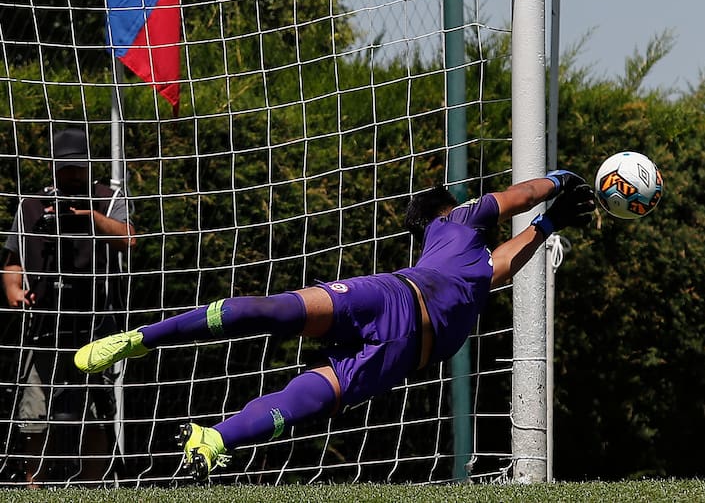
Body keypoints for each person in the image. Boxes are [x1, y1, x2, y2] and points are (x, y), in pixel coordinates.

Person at [74, 170, 594, 482]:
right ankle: (143, 339)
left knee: (305, 389)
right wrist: (563, 178)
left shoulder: (469, 264)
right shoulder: (455, 221)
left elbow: (505, 260)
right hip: (396, 311)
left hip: (397, 330)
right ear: (445, 210)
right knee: (276, 316)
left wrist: (551, 223)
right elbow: (521, 194)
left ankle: (216, 438)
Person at [2, 128, 136, 486]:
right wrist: (14, 289)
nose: (73, 175)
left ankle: (92, 484)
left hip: (96, 324)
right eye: (66, 168)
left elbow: (129, 237)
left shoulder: (108, 199)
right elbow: (12, 258)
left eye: (78, 168)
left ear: (89, 164)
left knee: (95, 412)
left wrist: (90, 217)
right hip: (45, 324)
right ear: (53, 167)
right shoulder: (30, 204)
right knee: (34, 413)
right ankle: (34, 483)